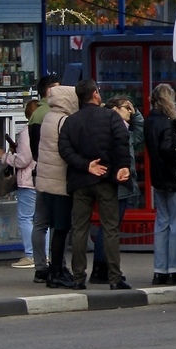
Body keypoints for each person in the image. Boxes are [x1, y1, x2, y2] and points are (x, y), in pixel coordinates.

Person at [59, 79, 132, 290]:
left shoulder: (70, 121)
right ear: (96, 95)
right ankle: (114, 277)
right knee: (110, 228)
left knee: (79, 228)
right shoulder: (110, 117)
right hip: (106, 179)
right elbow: (121, 140)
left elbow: (64, 149)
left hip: (80, 181)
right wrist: (122, 166)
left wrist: (85, 165)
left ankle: (78, 278)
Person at [89, 96, 142, 284]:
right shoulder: (114, 129)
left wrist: (135, 114)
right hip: (116, 183)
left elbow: (140, 134)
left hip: (119, 183)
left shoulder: (122, 129)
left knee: (110, 226)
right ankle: (102, 268)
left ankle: (101, 267)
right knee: (109, 228)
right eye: (126, 107)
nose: (130, 110)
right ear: (114, 109)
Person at [145, 83, 176, 286]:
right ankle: (175, 269)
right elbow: (168, 150)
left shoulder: (149, 121)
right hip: (174, 177)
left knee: (162, 223)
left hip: (158, 178)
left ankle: (160, 270)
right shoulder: (167, 122)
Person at [34, 84, 78, 289]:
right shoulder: (64, 120)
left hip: (45, 180)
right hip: (59, 181)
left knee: (46, 225)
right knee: (61, 228)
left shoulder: (49, 117)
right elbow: (67, 149)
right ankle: (57, 271)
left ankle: (52, 269)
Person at [0, 98, 39, 269]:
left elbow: (23, 160)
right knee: (42, 221)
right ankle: (44, 254)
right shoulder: (47, 129)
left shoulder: (27, 132)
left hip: (28, 181)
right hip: (43, 179)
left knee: (26, 218)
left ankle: (31, 255)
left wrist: (4, 156)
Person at [27, 74, 59, 282]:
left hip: (41, 172)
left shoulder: (36, 114)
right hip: (56, 173)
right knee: (58, 222)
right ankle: (56, 265)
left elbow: (34, 150)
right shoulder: (54, 113)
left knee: (40, 222)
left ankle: (40, 266)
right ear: (49, 91)